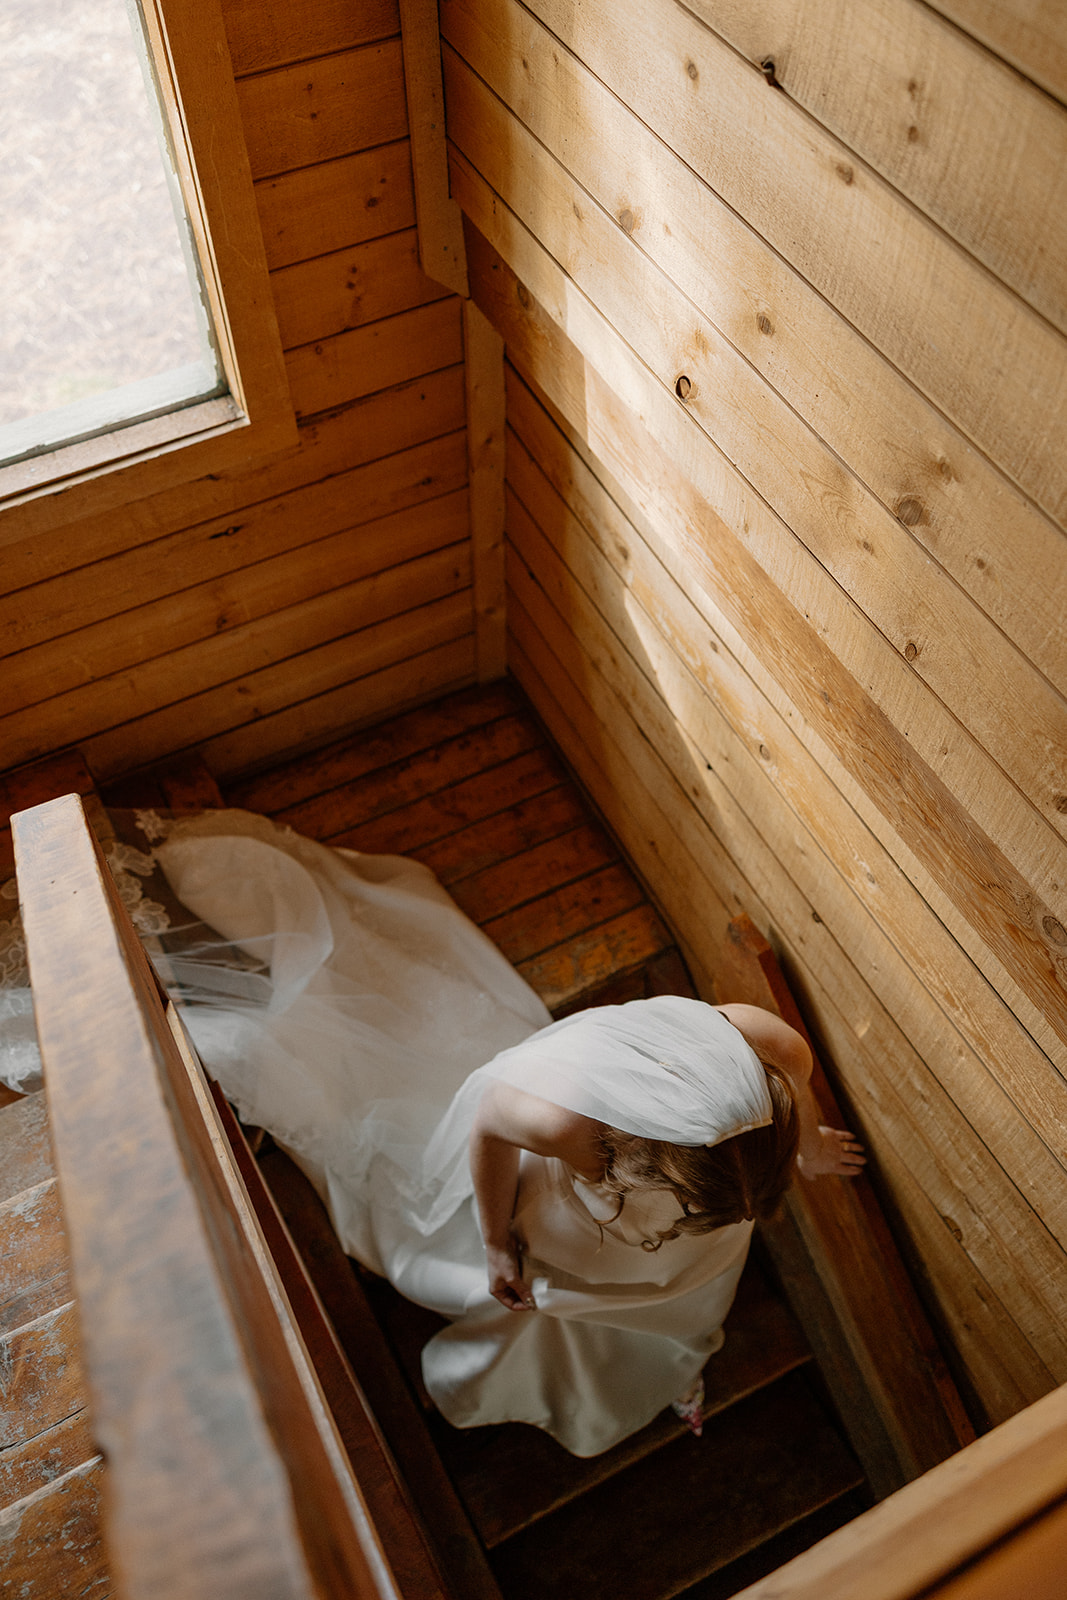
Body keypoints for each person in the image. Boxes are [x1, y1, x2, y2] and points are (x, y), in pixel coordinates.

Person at [129, 808, 864, 1456]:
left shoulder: (756, 1060)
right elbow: (486, 1122)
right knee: (529, 1293)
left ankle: (660, 1351)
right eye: (653, 1182)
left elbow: (789, 1076)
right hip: (546, 1197)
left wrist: (802, 1147)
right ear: (631, 1147)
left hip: (681, 1167)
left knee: (667, 1279)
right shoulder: (566, 1124)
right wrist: (493, 1244)